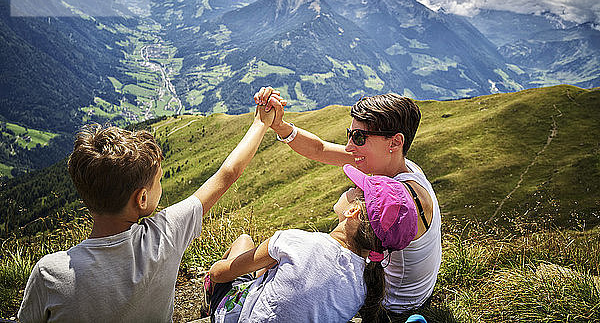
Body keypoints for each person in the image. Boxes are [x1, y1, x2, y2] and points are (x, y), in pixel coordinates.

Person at [17, 106, 275, 322]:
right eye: (159, 181)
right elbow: (227, 174)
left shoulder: (49, 273)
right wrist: (261, 123)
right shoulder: (165, 236)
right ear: (142, 199)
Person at [254, 87, 442, 320]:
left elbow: (343, 217)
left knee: (293, 257)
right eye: (350, 134)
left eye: (359, 138)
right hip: (416, 294)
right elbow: (320, 149)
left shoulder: (398, 203)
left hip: (392, 305)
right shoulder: (404, 168)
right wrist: (279, 126)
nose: (350, 146)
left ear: (395, 141)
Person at [205, 164, 418, 323]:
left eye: (354, 188)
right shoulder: (365, 284)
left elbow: (219, 273)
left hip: (235, 316)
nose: (349, 189)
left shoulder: (293, 241)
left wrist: (213, 275)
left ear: (352, 211)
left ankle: (208, 301)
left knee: (244, 240)